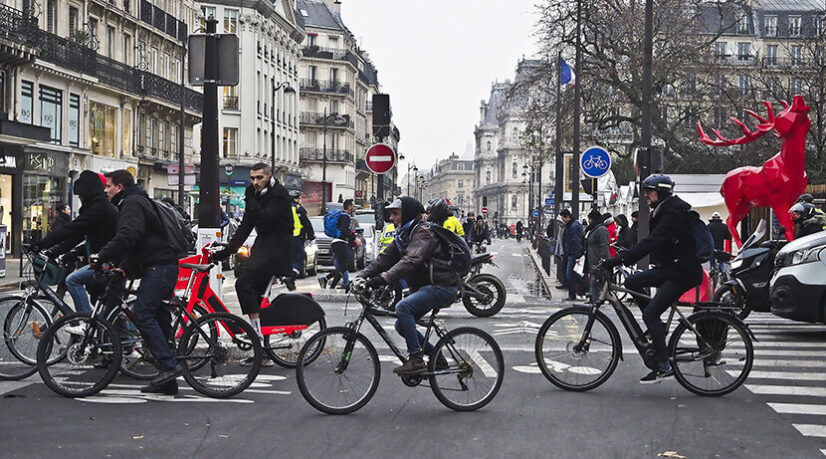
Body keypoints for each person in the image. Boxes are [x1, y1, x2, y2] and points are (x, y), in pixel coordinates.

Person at [600, 174, 703, 384]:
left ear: (661, 192)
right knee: (631, 282)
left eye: (649, 191)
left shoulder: (672, 213)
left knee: (650, 313)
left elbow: (651, 242)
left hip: (682, 272)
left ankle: (664, 365)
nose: (646, 195)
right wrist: (623, 258)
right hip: (671, 268)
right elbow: (652, 243)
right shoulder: (665, 209)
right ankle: (657, 326)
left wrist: (619, 259)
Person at [94, 169, 185, 395]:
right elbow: (140, 242)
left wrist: (101, 256)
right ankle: (168, 381)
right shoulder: (137, 200)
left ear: (120, 187)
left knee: (142, 313)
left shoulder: (132, 203)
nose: (106, 190)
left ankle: (169, 366)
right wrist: (124, 268)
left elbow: (128, 236)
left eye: (108, 186)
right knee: (159, 317)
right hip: (162, 265)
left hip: (160, 267)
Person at [357, 197, 458, 374]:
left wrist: (383, 279)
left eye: (396, 214)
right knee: (401, 325)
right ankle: (436, 355)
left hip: (442, 286)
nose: (391, 218)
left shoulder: (423, 233)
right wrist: (361, 276)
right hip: (428, 286)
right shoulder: (405, 234)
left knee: (403, 307)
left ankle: (416, 359)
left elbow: (410, 260)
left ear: (408, 214)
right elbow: (384, 258)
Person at [211, 163, 294, 367]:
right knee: (254, 296)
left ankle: (256, 340)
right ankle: (262, 352)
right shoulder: (252, 192)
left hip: (278, 249)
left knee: (243, 284)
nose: (255, 182)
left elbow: (265, 219)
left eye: (259, 178)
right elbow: (247, 225)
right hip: (264, 246)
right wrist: (227, 251)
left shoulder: (280, 194)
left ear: (269, 176)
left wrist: (252, 200)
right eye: (253, 179)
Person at [33, 171, 118, 319]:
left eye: (81, 195)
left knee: (72, 280)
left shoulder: (98, 208)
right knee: (107, 311)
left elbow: (71, 229)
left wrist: (40, 244)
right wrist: (55, 252)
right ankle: (102, 330)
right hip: (103, 259)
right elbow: (78, 237)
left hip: (107, 261)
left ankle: (85, 322)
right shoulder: (98, 206)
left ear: (88, 192)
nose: (80, 199)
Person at [318, 199, 361, 290]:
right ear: (349, 207)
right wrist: (354, 238)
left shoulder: (342, 216)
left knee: (342, 267)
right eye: (353, 206)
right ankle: (327, 280)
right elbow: (343, 230)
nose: (354, 208)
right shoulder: (345, 216)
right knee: (343, 267)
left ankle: (329, 283)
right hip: (340, 243)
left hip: (337, 243)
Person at [560, 208, 586, 300]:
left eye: (563, 218)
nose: (563, 221)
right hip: (573, 252)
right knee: (573, 273)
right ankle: (586, 288)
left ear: (567, 217)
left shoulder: (573, 227)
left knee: (570, 274)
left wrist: (576, 255)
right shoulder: (573, 225)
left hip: (573, 253)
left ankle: (574, 293)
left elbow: (576, 241)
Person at [289, 190, 314, 280]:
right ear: (295, 199)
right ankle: (292, 277)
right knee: (299, 259)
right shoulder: (299, 208)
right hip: (297, 236)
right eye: (299, 198)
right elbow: (307, 223)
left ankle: (284, 275)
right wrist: (311, 236)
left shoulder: (283, 208)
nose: (300, 200)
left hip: (285, 238)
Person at [585, 208, 610, 276]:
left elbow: (604, 245)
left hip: (597, 262)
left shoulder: (601, 229)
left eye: (590, 219)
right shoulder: (592, 229)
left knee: (596, 282)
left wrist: (603, 260)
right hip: (592, 261)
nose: (589, 221)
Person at [553, 214, 568, 290]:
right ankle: (564, 283)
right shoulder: (561, 228)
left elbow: (562, 241)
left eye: (559, 221)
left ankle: (566, 284)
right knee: (563, 268)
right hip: (561, 252)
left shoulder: (565, 228)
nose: (558, 223)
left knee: (565, 269)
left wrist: (561, 252)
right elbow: (559, 241)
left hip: (565, 252)